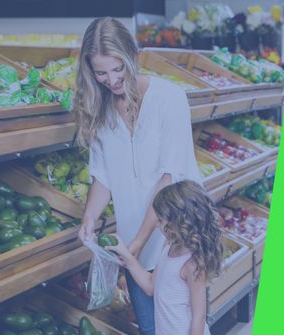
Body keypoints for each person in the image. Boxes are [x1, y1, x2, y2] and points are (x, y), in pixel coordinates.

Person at [73, 17, 202, 335]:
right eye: (101, 73)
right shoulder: (101, 112)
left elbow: (169, 177)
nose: (112, 80)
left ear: (132, 56)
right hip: (134, 241)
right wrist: (89, 216)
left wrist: (138, 244)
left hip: (177, 240)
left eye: (118, 68)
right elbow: (103, 177)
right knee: (149, 327)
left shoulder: (168, 99)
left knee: (183, 324)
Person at [106, 180, 224, 335]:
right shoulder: (168, 246)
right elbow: (150, 287)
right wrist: (126, 256)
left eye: (160, 220)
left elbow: (199, 318)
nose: (156, 225)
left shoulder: (192, 264)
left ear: (179, 221)